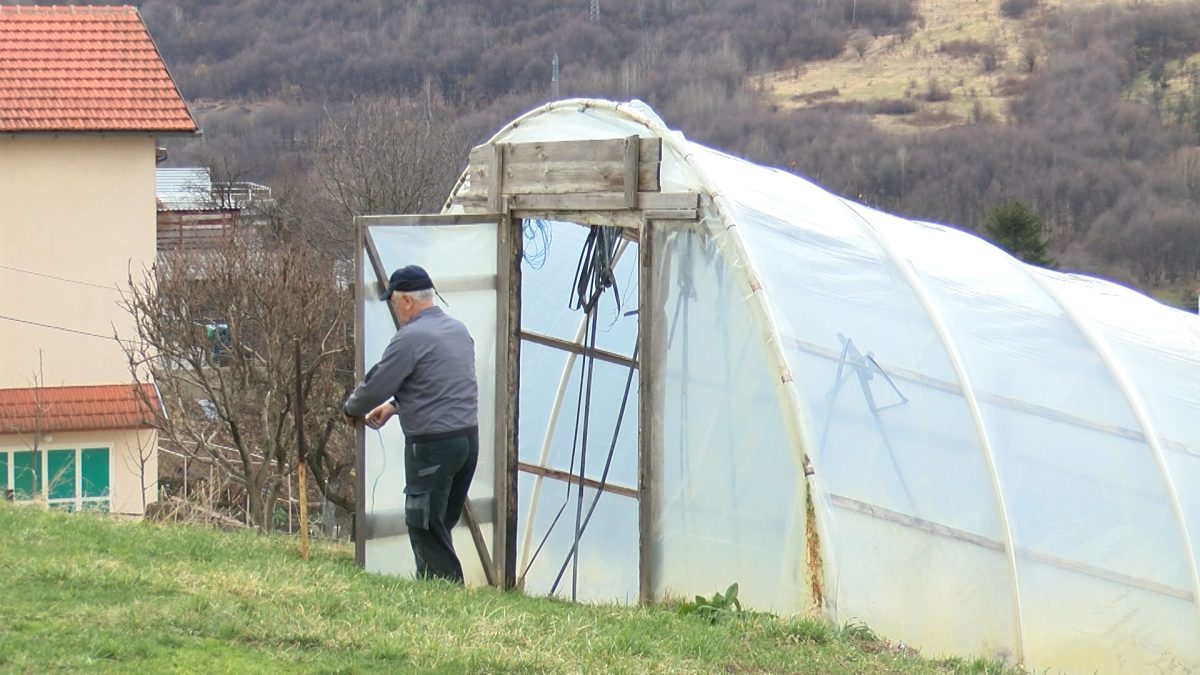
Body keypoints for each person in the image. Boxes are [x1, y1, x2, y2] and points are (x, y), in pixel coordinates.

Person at [344, 264, 479, 583]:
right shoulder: (458, 330)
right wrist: (394, 407)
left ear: (406, 301)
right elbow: (440, 383)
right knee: (440, 522)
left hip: (432, 446)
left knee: (423, 522)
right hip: (467, 442)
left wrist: (351, 409)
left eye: (393, 302)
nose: (394, 309)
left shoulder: (410, 338)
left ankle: (442, 595)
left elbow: (376, 385)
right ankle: (438, 590)